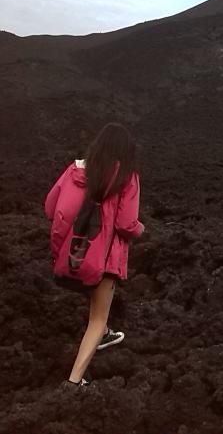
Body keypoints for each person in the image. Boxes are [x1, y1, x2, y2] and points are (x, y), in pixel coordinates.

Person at [44, 123, 145, 386]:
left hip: (76, 253)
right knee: (97, 318)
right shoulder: (126, 177)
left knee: (94, 303)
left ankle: (106, 334)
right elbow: (126, 223)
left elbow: (50, 207)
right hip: (104, 258)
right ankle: (74, 382)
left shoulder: (75, 170)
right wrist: (140, 229)